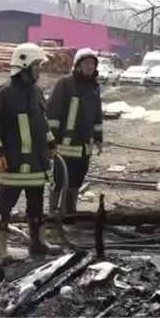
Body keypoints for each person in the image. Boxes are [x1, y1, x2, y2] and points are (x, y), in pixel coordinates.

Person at [0, 43, 61, 261]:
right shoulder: (4, 93)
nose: (40, 69)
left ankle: (39, 244)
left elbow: (41, 125)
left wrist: (51, 145)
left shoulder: (36, 92)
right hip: (13, 165)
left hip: (36, 164)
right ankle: (1, 251)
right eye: (36, 65)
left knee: (36, 206)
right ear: (24, 65)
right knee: (4, 206)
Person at [46, 48, 104, 214]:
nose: (90, 67)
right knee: (58, 180)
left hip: (85, 147)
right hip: (64, 146)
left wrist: (98, 138)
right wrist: (50, 142)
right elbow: (53, 114)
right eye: (86, 63)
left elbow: (97, 115)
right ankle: (54, 213)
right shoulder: (65, 83)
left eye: (92, 64)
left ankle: (69, 212)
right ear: (77, 65)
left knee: (77, 180)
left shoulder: (93, 87)